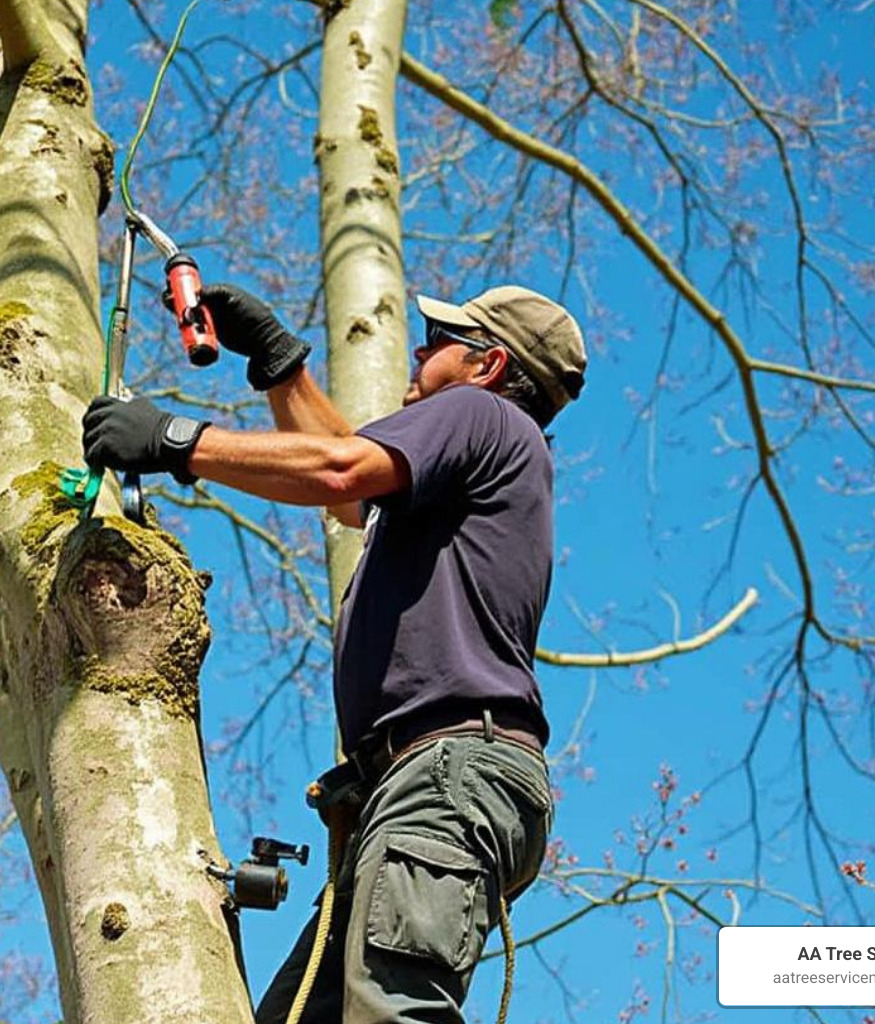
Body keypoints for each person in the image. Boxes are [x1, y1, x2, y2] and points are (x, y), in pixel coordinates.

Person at [82, 282, 588, 1024]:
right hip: (423, 786)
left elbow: (341, 470)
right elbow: (351, 498)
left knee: (394, 1012)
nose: (420, 351)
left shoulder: (481, 414)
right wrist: (282, 368)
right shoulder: (478, 460)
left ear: (488, 366)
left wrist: (176, 440)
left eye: (441, 342)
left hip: (443, 776)